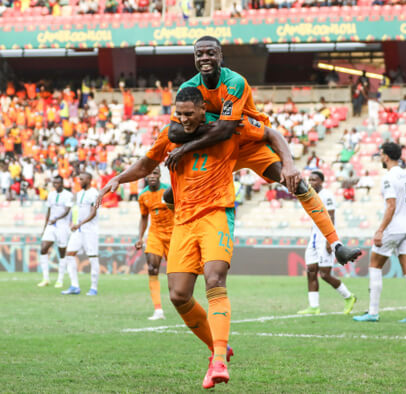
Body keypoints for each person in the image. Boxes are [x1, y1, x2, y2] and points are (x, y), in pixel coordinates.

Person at [96, 87, 283, 389]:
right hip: (182, 219)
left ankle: (219, 360)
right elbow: (146, 165)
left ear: (201, 110)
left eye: (188, 113)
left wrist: (287, 164)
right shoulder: (168, 134)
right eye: (178, 114)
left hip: (215, 215)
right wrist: (117, 179)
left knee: (214, 279)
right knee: (179, 295)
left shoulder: (230, 128)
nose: (183, 119)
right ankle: (217, 348)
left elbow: (271, 134)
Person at [164, 36, 361, 265]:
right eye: (200, 54)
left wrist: (289, 165)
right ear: (194, 58)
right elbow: (174, 132)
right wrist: (214, 126)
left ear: (220, 56)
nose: (205, 58)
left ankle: (337, 245)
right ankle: (177, 236)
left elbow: (248, 131)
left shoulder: (234, 83)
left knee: (297, 184)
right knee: (170, 194)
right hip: (217, 148)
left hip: (249, 143)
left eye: (211, 53)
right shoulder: (188, 88)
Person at [354, 142, 406, 323]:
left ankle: (373, 312)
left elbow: (391, 206)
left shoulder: (389, 177)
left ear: (386, 156)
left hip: (394, 227)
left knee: (375, 265)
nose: (380, 158)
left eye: (381, 154)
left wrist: (380, 230)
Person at [297, 171, 356, 316]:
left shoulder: (327, 195)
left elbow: (331, 216)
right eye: (310, 179)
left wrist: (331, 241)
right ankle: (314, 306)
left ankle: (349, 297)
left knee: (324, 274)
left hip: (325, 237)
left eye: (315, 180)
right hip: (314, 238)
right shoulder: (311, 195)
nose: (311, 182)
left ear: (321, 181)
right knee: (311, 271)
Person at [135, 167, 174, 320]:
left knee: (175, 273)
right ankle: (158, 310)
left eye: (155, 173)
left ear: (159, 175)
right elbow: (144, 217)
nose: (152, 176)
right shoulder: (143, 195)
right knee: (152, 268)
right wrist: (140, 237)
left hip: (173, 234)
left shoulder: (168, 191)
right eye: (149, 173)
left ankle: (181, 303)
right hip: (155, 234)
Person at [62, 173, 100, 296]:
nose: (80, 181)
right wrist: (74, 223)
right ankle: (74, 286)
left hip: (90, 230)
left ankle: (94, 287)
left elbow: (93, 213)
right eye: (79, 179)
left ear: (89, 180)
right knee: (69, 254)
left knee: (93, 258)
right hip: (79, 230)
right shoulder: (79, 194)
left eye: (82, 179)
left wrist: (80, 223)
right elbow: (78, 211)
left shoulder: (94, 194)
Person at [37, 176, 73, 288]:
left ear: (62, 183)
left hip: (62, 226)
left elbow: (67, 211)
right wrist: (44, 227)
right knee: (43, 248)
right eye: (54, 183)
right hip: (51, 225)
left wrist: (56, 218)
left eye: (57, 183)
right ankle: (45, 278)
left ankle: (60, 279)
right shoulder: (51, 195)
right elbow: (49, 210)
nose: (55, 185)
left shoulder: (68, 195)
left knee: (61, 252)